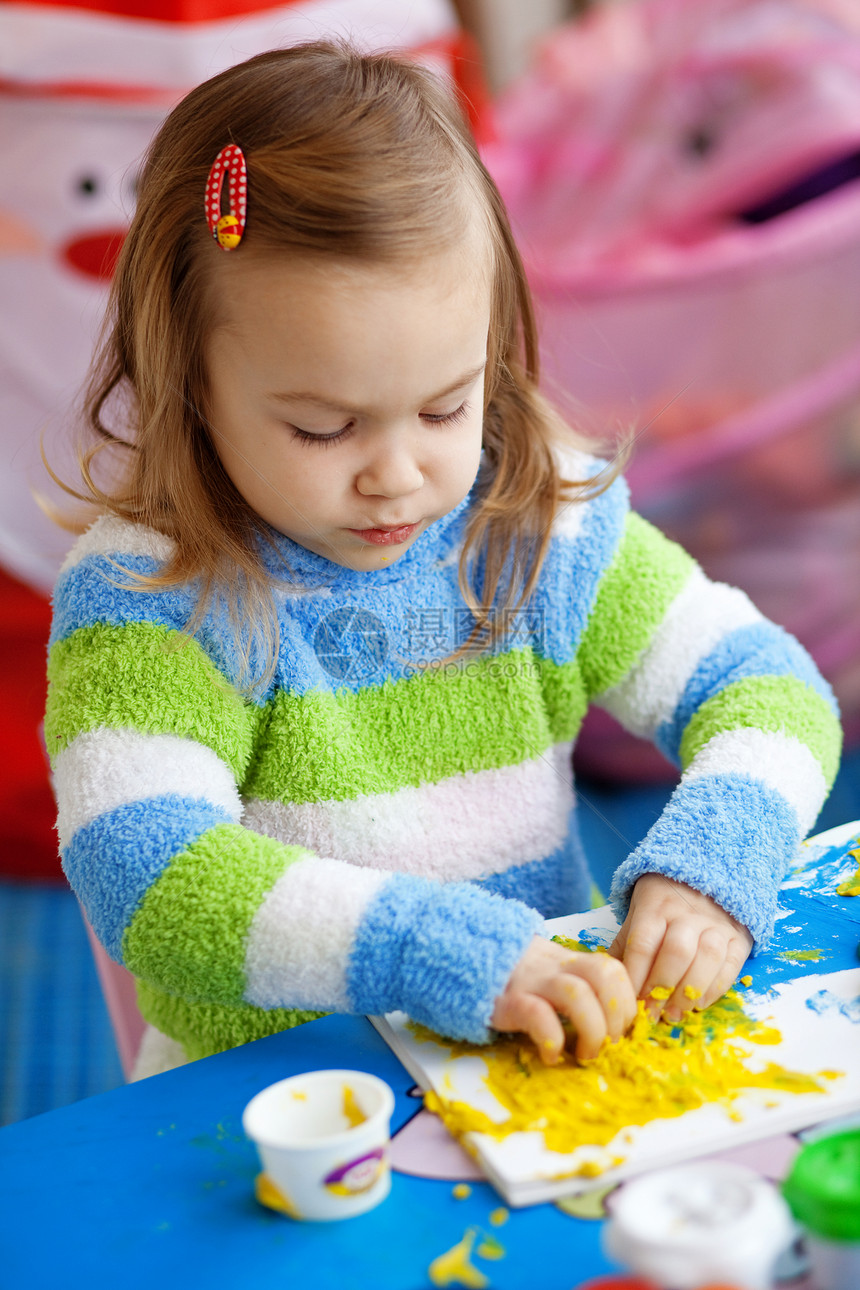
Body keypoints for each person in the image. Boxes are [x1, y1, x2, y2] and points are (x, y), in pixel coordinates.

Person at [45, 41, 841, 1080]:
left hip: (529, 1066)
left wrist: (711, 861)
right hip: (278, 1100)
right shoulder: (156, 593)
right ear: (186, 384)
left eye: (443, 406)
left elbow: (768, 688)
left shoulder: (530, 524)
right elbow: (146, 875)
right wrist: (430, 953)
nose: (398, 475)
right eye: (323, 428)